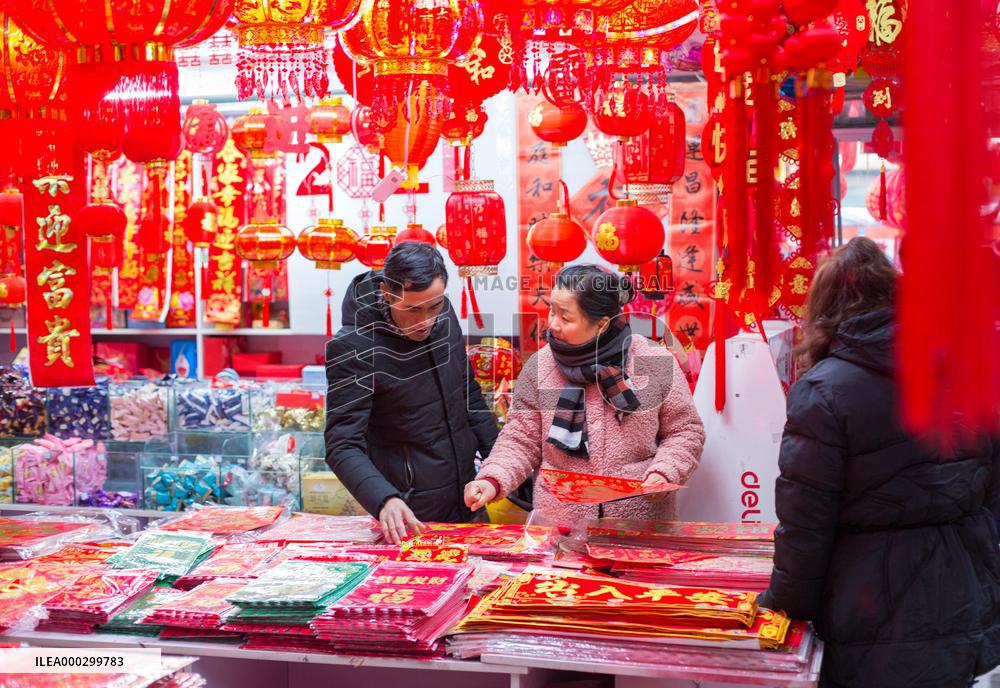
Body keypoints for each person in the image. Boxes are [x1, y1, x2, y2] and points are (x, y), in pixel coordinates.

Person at [755, 237, 1000, 688]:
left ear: (824, 309)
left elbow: (807, 522)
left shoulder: (823, 390)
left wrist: (785, 603)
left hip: (870, 593)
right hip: (967, 582)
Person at [464, 264, 705, 523]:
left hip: (639, 520)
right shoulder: (541, 366)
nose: (552, 324)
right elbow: (520, 438)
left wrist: (665, 472)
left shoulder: (653, 361)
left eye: (565, 317)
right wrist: (493, 478)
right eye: (552, 310)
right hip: (560, 522)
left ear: (601, 325)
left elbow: (685, 431)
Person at [324, 242, 499, 544]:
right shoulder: (354, 347)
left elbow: (468, 395)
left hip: (469, 500)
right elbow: (342, 444)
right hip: (410, 514)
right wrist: (383, 499)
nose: (426, 321)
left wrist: (499, 468)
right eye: (412, 309)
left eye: (434, 306)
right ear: (386, 293)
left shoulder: (443, 317)